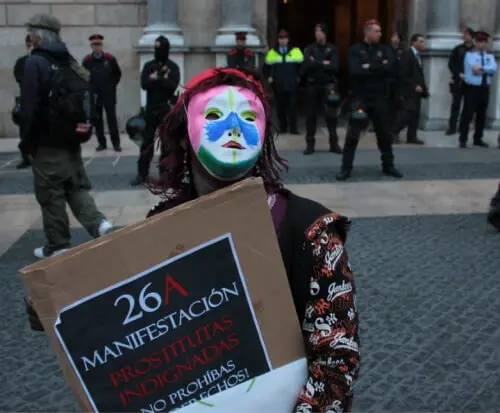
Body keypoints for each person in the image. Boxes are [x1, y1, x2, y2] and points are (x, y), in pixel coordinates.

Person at [25, 66, 361, 410]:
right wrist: (61, 302)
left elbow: (337, 357)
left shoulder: (309, 230)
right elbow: (132, 327)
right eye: (214, 114)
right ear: (184, 132)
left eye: (248, 117)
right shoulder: (162, 224)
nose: (233, 127)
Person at [20, 13, 113, 258]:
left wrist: (26, 143)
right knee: (75, 186)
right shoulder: (69, 60)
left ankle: (57, 245)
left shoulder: (35, 62)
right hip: (71, 139)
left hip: (47, 141)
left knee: (51, 195)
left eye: (30, 32)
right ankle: (99, 224)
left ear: (38, 35)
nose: (29, 37)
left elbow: (29, 108)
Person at [337, 20, 403, 181]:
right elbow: (355, 71)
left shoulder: (384, 49)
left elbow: (392, 69)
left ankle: (388, 165)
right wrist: (378, 67)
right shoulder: (355, 50)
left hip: (379, 97)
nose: (380, 34)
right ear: (367, 32)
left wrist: (369, 67)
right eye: (376, 31)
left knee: (384, 134)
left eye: (380, 31)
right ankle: (346, 168)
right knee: (353, 135)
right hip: (360, 98)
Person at [130, 35, 180, 186]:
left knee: (167, 144)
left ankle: (165, 175)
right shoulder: (149, 65)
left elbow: (172, 85)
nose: (159, 51)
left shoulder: (172, 67)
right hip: (151, 110)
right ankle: (142, 174)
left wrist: (156, 79)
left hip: (166, 109)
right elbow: (144, 84)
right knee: (147, 143)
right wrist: (160, 78)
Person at [301, 23, 342, 155]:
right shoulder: (309, 49)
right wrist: (323, 63)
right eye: (316, 31)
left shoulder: (332, 49)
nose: (317, 34)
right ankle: (310, 144)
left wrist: (316, 63)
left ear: (325, 33)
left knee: (331, 115)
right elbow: (306, 65)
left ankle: (334, 144)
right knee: (311, 116)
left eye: (320, 31)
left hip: (327, 85)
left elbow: (334, 67)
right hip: (313, 85)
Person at [82, 34, 122, 152]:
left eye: (98, 44)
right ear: (91, 46)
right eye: (94, 45)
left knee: (111, 119)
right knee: (97, 119)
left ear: (102, 45)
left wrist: (111, 86)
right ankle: (102, 143)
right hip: (94, 95)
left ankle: (116, 143)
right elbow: (83, 76)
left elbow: (117, 74)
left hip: (108, 94)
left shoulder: (110, 59)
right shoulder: (87, 61)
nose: (97, 47)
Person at [458, 30, 497, 148]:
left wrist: (482, 68)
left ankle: (478, 138)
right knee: (467, 114)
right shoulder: (469, 55)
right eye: (480, 42)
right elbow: (474, 69)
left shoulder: (489, 56)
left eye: (484, 42)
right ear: (475, 42)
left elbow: (494, 68)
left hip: (484, 87)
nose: (482, 44)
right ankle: (463, 138)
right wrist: (485, 68)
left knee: (482, 115)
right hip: (472, 88)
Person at [264, 29, 303, 134]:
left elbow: (302, 67)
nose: (283, 40)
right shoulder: (272, 52)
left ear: (288, 39)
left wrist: (299, 77)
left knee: (293, 106)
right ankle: (283, 127)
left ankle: (294, 128)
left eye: (285, 38)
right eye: (281, 38)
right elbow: (266, 67)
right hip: (278, 84)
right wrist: (269, 77)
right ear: (278, 40)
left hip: (292, 83)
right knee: (281, 107)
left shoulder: (295, 51)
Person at [392, 33, 428, 145]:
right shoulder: (407, 55)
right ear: (414, 42)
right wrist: (413, 85)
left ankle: (412, 136)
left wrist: (423, 87)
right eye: (420, 41)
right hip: (408, 90)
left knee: (415, 114)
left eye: (423, 41)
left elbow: (419, 74)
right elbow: (403, 74)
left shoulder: (418, 55)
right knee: (408, 112)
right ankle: (393, 132)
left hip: (418, 90)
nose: (423, 44)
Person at [446, 27, 475, 136]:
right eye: (465, 35)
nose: (466, 37)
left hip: (471, 82)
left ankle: (464, 127)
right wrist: (458, 73)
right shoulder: (458, 49)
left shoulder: (475, 50)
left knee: (468, 106)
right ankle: (452, 127)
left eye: (468, 35)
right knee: (455, 105)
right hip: (458, 81)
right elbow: (451, 63)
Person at [13, 34, 33, 169]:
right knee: (25, 130)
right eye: (29, 44)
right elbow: (19, 77)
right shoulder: (22, 61)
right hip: (27, 98)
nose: (31, 46)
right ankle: (26, 157)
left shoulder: (44, 60)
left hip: (42, 99)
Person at [387, 32, 405, 137]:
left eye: (396, 37)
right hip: (387, 83)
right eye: (393, 37)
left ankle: (395, 131)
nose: (394, 39)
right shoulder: (386, 50)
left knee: (397, 109)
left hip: (398, 84)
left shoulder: (402, 52)